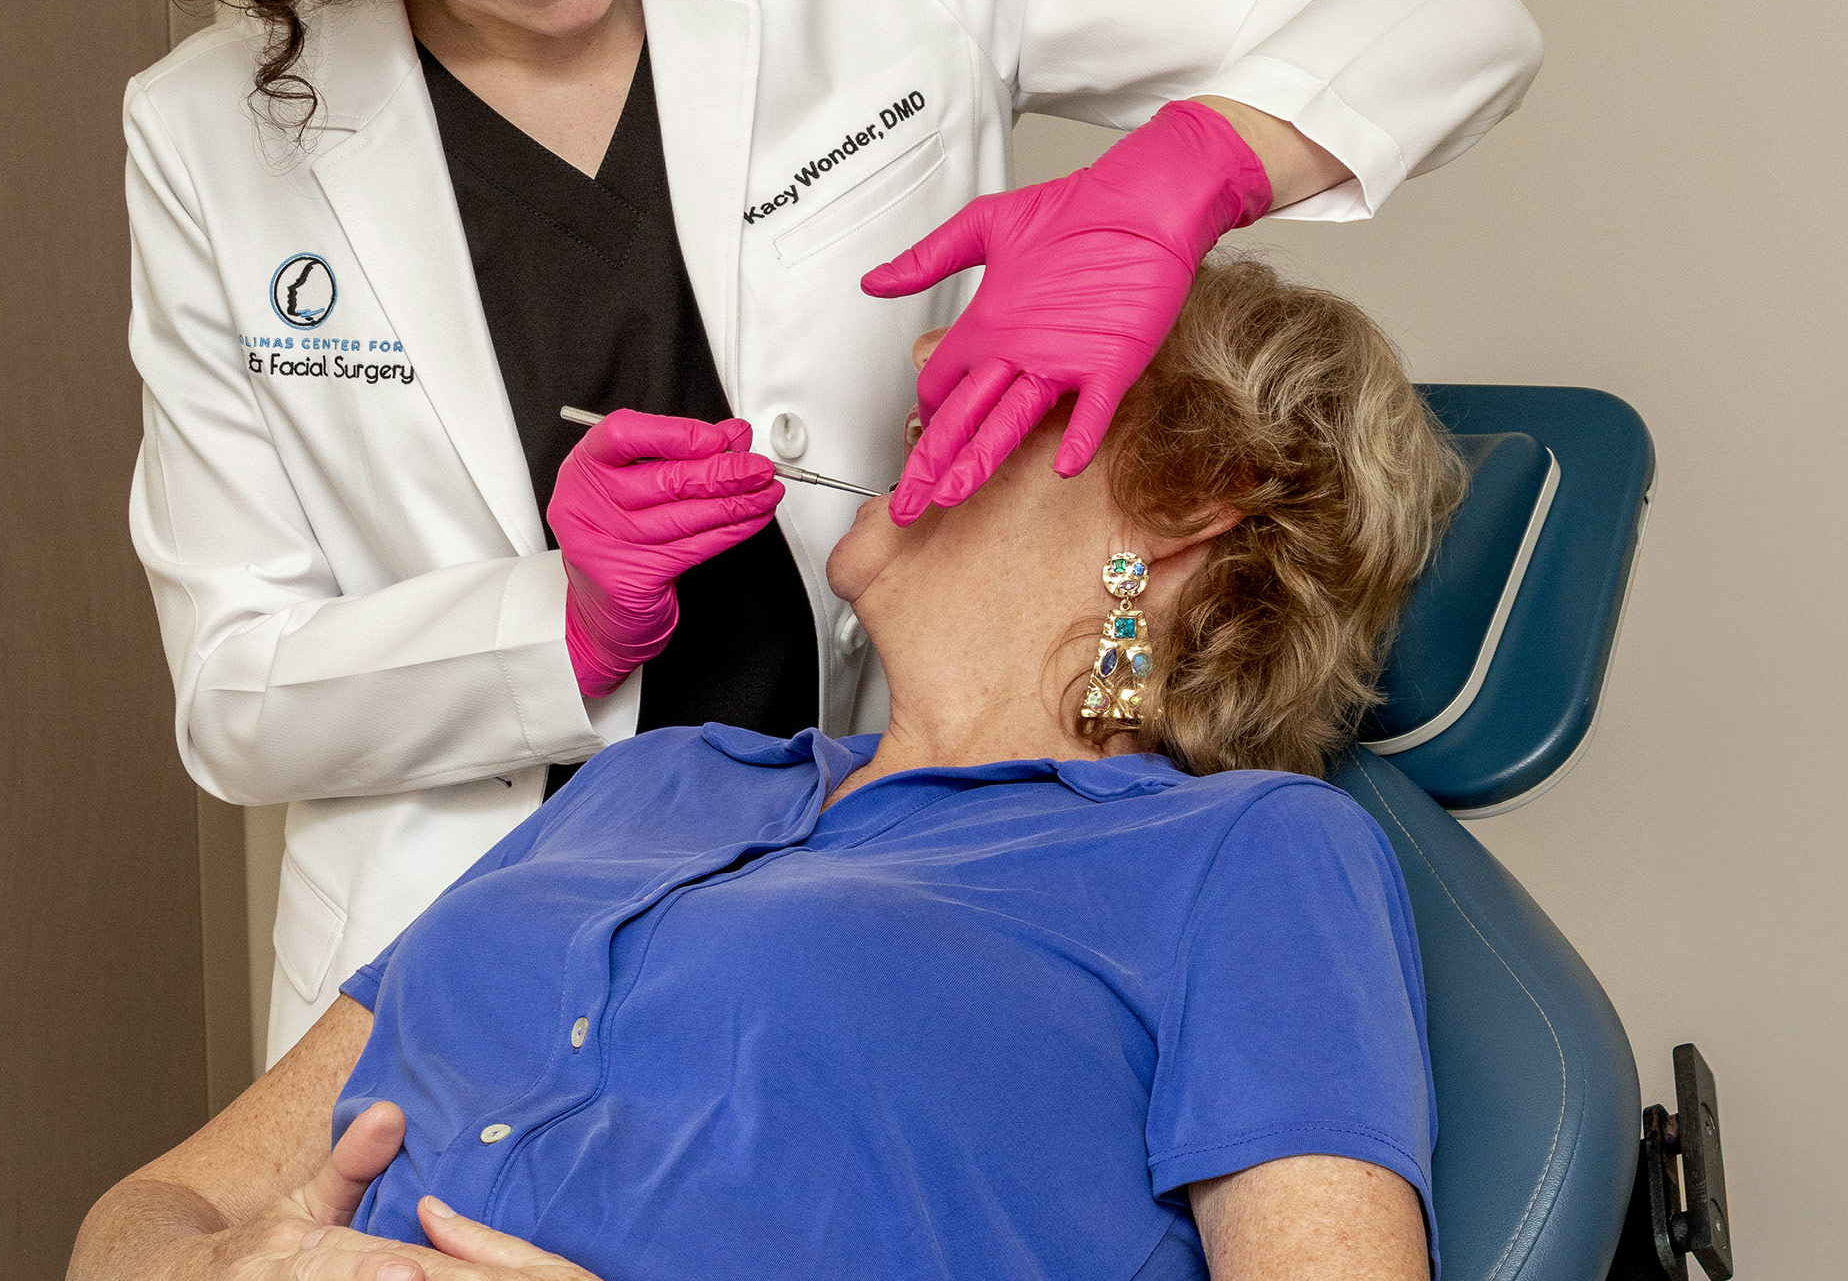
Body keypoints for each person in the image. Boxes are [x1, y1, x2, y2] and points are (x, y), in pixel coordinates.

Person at [117, 0, 1541, 1059]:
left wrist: (1189, 171)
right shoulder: (213, 137)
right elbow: (235, 697)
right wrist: (559, 619)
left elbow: (1457, 20)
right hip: (465, 962)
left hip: (871, 927)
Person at [71, 260, 1466, 1281]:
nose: (928, 382)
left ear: (1177, 506)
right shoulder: (656, 783)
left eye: (1006, 385)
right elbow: (146, 1212)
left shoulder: (1248, 853)